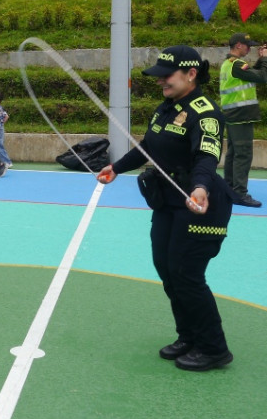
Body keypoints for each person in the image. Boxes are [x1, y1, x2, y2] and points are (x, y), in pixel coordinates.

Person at [98, 46, 234, 372]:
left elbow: (207, 156)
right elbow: (149, 146)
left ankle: (213, 348)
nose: (160, 81)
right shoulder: (167, 108)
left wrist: (200, 187)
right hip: (168, 203)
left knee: (186, 274)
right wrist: (116, 167)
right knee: (168, 270)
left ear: (191, 74)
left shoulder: (205, 113)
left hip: (199, 203)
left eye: (166, 76)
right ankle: (189, 336)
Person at [219, 31, 267, 208]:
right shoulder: (237, 65)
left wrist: (261, 60)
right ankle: (240, 193)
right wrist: (265, 59)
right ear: (238, 45)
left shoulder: (230, 64)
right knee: (243, 154)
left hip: (233, 114)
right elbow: (262, 77)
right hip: (241, 116)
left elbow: (252, 74)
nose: (249, 49)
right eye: (247, 46)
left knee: (233, 153)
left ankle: (229, 188)